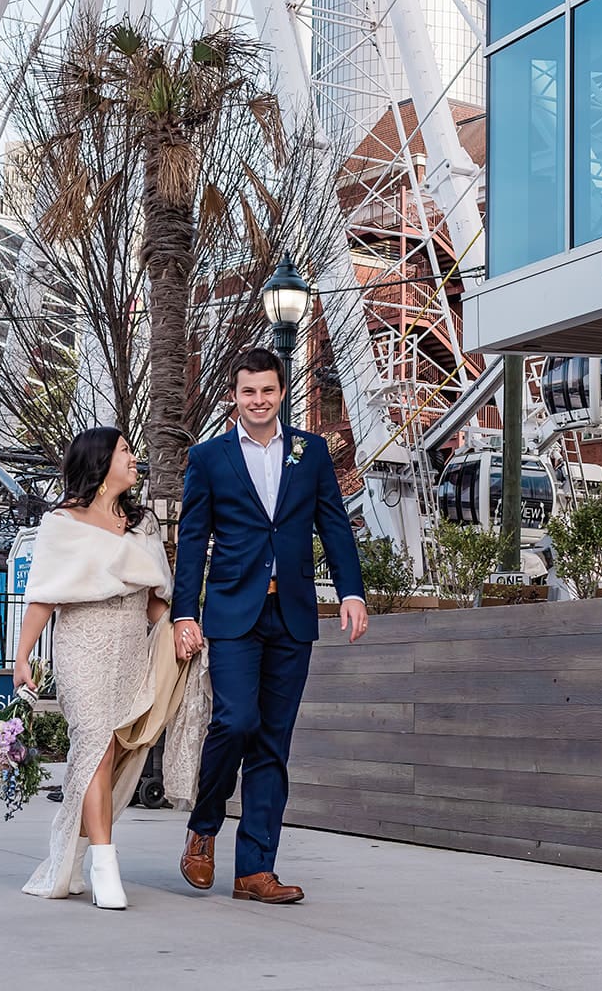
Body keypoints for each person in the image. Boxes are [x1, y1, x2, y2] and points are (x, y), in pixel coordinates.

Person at [172, 347, 367, 904]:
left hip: (293, 614)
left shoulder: (311, 451)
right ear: (235, 397)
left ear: (282, 392)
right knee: (235, 722)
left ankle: (255, 869)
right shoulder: (209, 458)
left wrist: (352, 592)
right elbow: (191, 543)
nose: (258, 401)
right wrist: (186, 613)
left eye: (268, 391)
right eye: (248, 392)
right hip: (233, 612)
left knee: (272, 743)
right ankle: (203, 830)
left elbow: (333, 523)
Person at [14, 427, 207, 909]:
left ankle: (73, 857)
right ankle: (105, 863)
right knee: (95, 746)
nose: (134, 458)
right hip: (81, 642)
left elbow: (151, 601)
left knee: (116, 752)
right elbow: (44, 596)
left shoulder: (142, 525)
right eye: (125, 452)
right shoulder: (61, 523)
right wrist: (21, 657)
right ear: (101, 464)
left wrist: (181, 629)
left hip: (129, 646)